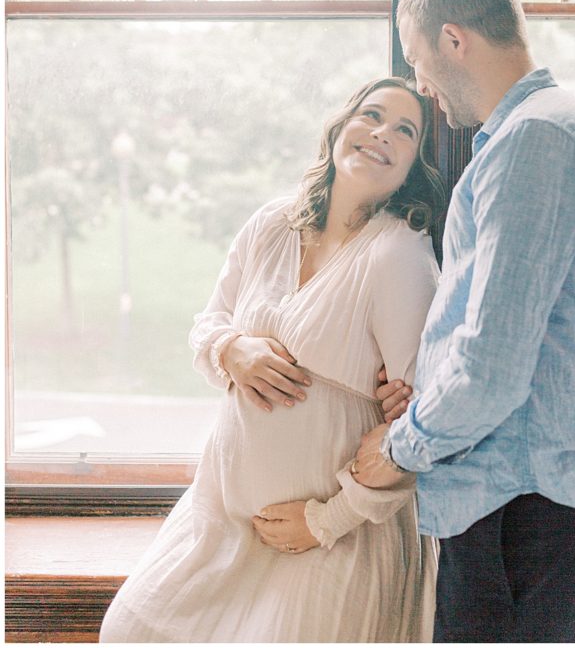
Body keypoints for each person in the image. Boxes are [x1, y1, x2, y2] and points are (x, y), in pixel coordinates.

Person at [99, 76, 446, 644]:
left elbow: (419, 429)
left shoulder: (398, 253)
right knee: (131, 628)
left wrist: (325, 521)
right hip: (222, 521)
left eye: (404, 131)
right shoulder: (272, 224)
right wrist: (231, 349)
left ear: (413, 167)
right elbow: (207, 324)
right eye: (371, 115)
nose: (381, 133)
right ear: (340, 128)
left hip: (336, 536)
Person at [351, 0, 575, 643]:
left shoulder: (536, 138)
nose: (420, 82)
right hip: (522, 500)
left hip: (524, 505)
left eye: (416, 59)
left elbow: (494, 364)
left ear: (454, 40)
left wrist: (401, 448)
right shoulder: (534, 133)